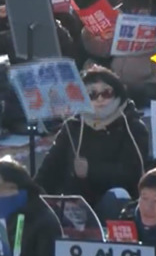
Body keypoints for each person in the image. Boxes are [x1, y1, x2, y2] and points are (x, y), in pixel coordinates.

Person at [35, 66, 150, 211]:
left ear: (117, 92)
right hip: (74, 204)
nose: (100, 99)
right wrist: (32, 193)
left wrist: (91, 170)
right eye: (92, 94)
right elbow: (50, 168)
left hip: (115, 204)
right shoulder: (73, 126)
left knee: (117, 196)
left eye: (106, 93)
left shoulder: (132, 126)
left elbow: (133, 173)